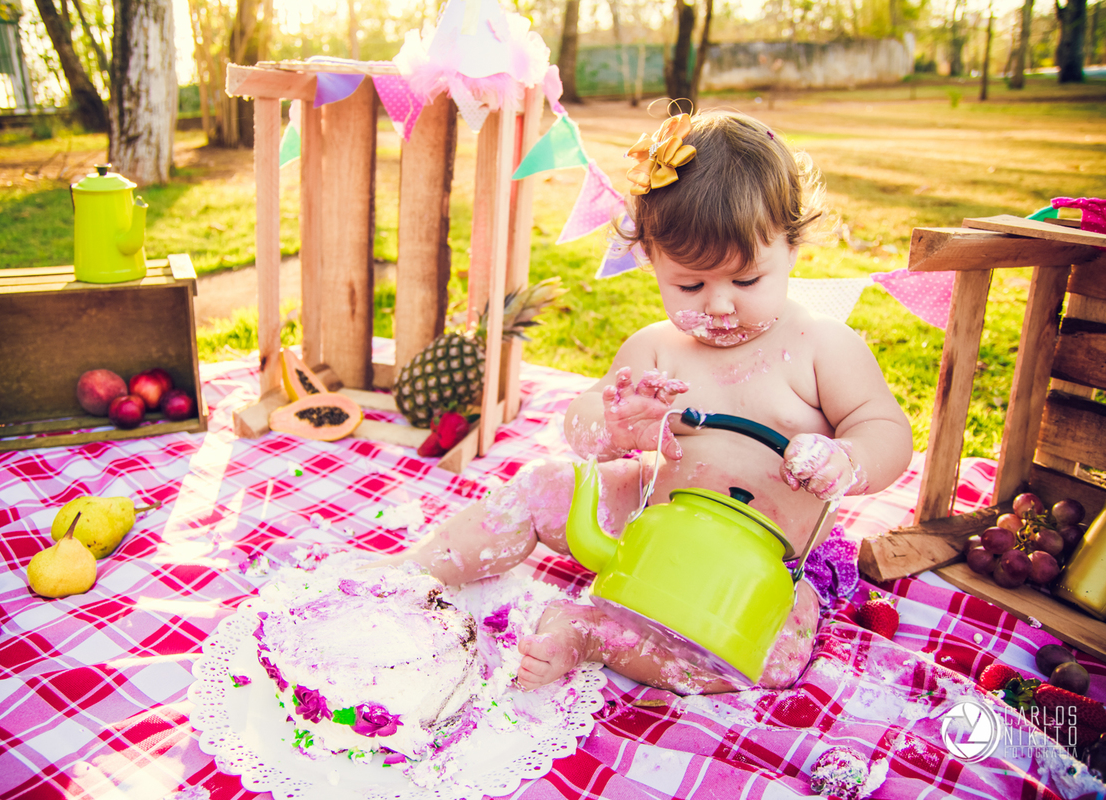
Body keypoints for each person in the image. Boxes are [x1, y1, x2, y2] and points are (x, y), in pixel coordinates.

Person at [379, 110, 913, 695]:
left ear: (791, 248)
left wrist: (847, 459)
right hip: (649, 523)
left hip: (763, 559)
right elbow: (579, 422)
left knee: (775, 658)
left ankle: (593, 636)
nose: (719, 306)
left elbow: (885, 429)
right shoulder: (658, 348)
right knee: (541, 487)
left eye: (746, 281)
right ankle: (416, 573)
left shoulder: (822, 347)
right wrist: (613, 425)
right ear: (650, 261)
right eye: (690, 285)